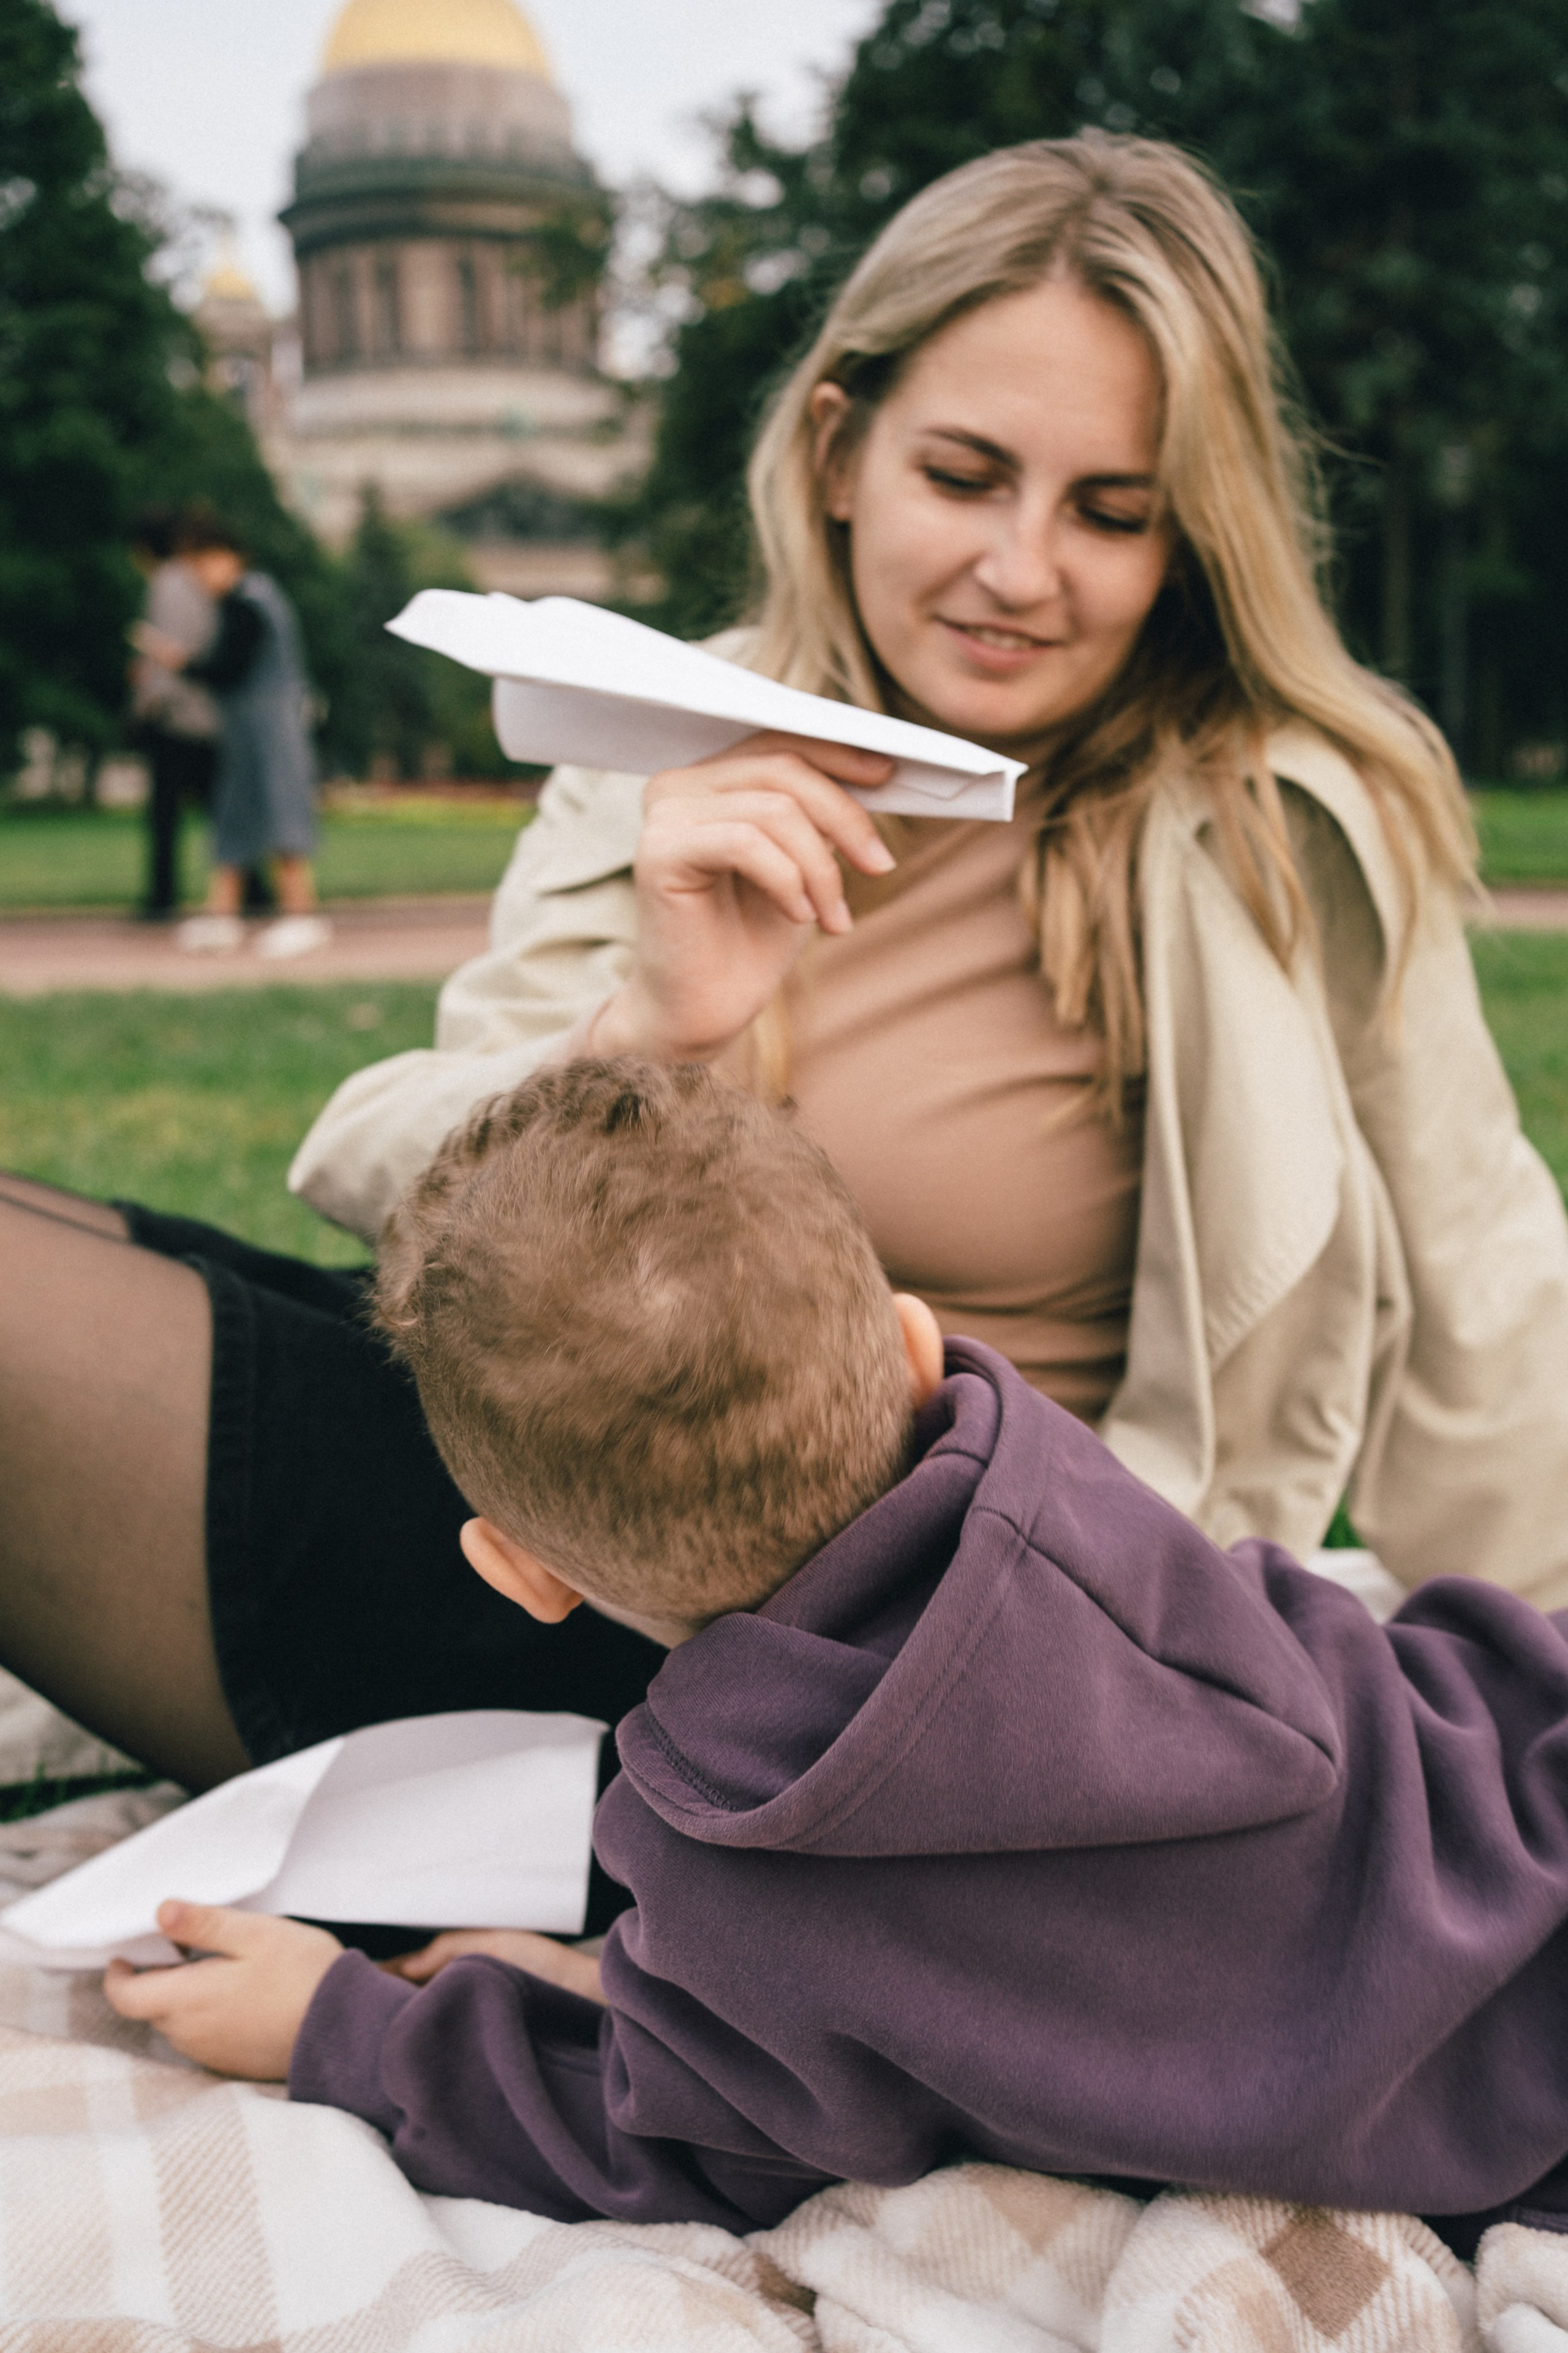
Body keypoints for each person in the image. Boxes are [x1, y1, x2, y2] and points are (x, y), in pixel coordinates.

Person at [0, 131, 1564, 1810]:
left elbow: (1481, 1287)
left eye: (1110, 512)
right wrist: (653, 1028)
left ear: (1185, 536)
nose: (1021, 571)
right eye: (961, 477)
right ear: (836, 451)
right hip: (557, 1512)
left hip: (874, 1649)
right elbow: (394, 1189)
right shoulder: (663, 735)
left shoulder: (1289, 819)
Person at [105, 1060, 1568, 2251]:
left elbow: (657, 2135)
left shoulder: (734, 1874)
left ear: (521, 1573)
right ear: (920, 1347)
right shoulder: (1081, 1514)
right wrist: (614, 1975)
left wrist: (349, 2026)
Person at [133, 513, 331, 961]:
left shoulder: (251, 600)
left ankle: (301, 914)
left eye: (203, 566)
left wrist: (181, 662)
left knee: (282, 811)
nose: (200, 579)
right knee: (233, 814)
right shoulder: (240, 601)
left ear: (228, 557)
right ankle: (222, 914)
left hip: (271, 727)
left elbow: (230, 668)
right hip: (243, 729)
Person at [126, 507, 222, 921]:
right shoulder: (198, 580)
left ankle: (162, 897)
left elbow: (167, 653)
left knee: (165, 815)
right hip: (211, 714)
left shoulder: (167, 583)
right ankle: (251, 888)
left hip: (178, 717)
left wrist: (146, 705)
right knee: (218, 808)